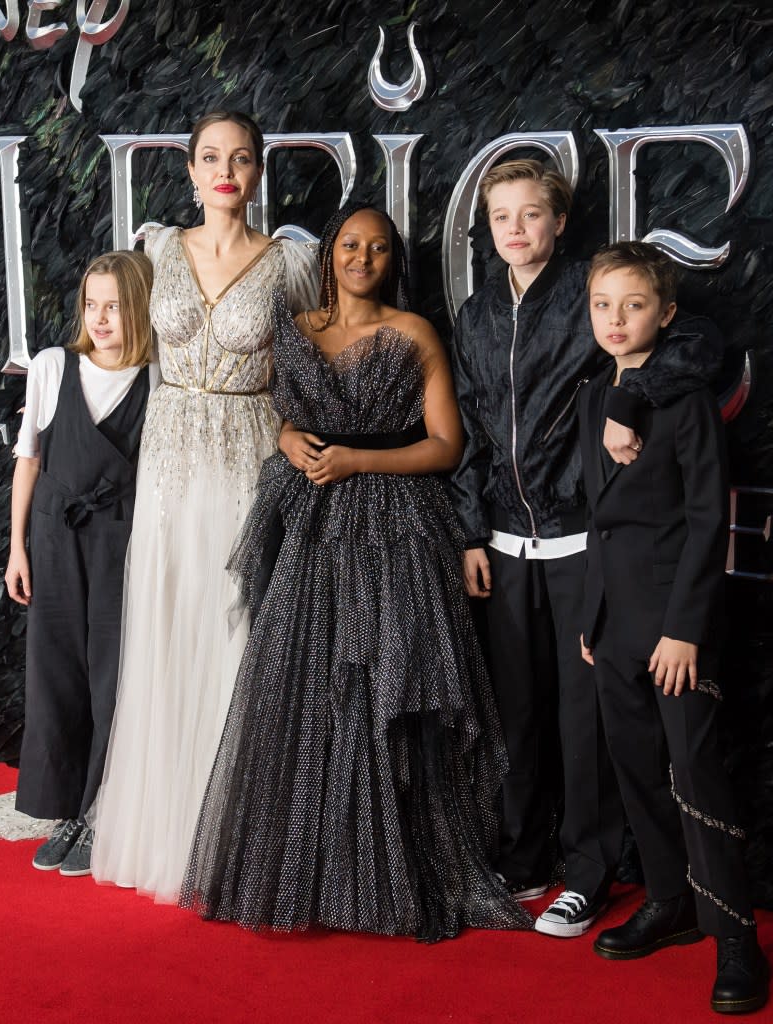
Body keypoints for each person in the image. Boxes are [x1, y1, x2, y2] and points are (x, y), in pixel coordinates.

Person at [179, 203, 534, 941]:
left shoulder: (414, 335)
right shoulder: (298, 332)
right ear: (330, 256)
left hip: (397, 528)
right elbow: (276, 411)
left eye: (377, 247)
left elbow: (444, 445)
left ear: (392, 261)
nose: (362, 256)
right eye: (349, 244)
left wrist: (355, 460)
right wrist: (287, 435)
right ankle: (320, 874)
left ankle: (397, 874)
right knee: (309, 693)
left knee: (389, 687)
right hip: (309, 527)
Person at [449, 159, 724, 937]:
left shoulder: (593, 297)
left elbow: (699, 343)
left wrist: (630, 398)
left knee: (584, 720)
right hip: (503, 545)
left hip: (580, 541)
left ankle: (591, 870)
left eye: (531, 215)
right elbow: (470, 434)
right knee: (520, 714)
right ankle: (525, 856)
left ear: (559, 222)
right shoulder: (474, 317)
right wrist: (471, 529)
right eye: (501, 217)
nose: (515, 230)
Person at [89, 111, 317, 902]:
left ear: (258, 173)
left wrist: (300, 438)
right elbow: (115, 345)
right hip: (170, 460)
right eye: (211, 158)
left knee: (237, 633)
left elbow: (309, 368)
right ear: (189, 171)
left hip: (249, 459)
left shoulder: (291, 263)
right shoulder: (155, 250)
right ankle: (169, 833)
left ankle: (241, 842)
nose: (226, 170)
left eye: (242, 158)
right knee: (168, 624)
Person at [579, 241, 770, 1014]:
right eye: (602, 305)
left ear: (665, 313)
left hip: (674, 626)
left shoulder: (685, 398)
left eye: (632, 305)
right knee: (635, 767)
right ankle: (670, 900)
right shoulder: (596, 396)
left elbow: (705, 520)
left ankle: (735, 938)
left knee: (693, 771)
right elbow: (599, 522)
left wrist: (685, 628)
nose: (616, 320)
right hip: (614, 622)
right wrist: (593, 616)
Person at [6, 250, 156, 877]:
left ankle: (101, 813)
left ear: (140, 310)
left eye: (115, 306)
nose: (100, 318)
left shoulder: (158, 380)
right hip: (52, 536)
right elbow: (29, 460)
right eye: (92, 305)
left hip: (121, 541)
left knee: (113, 678)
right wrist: (15, 547)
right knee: (57, 672)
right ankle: (64, 808)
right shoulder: (52, 367)